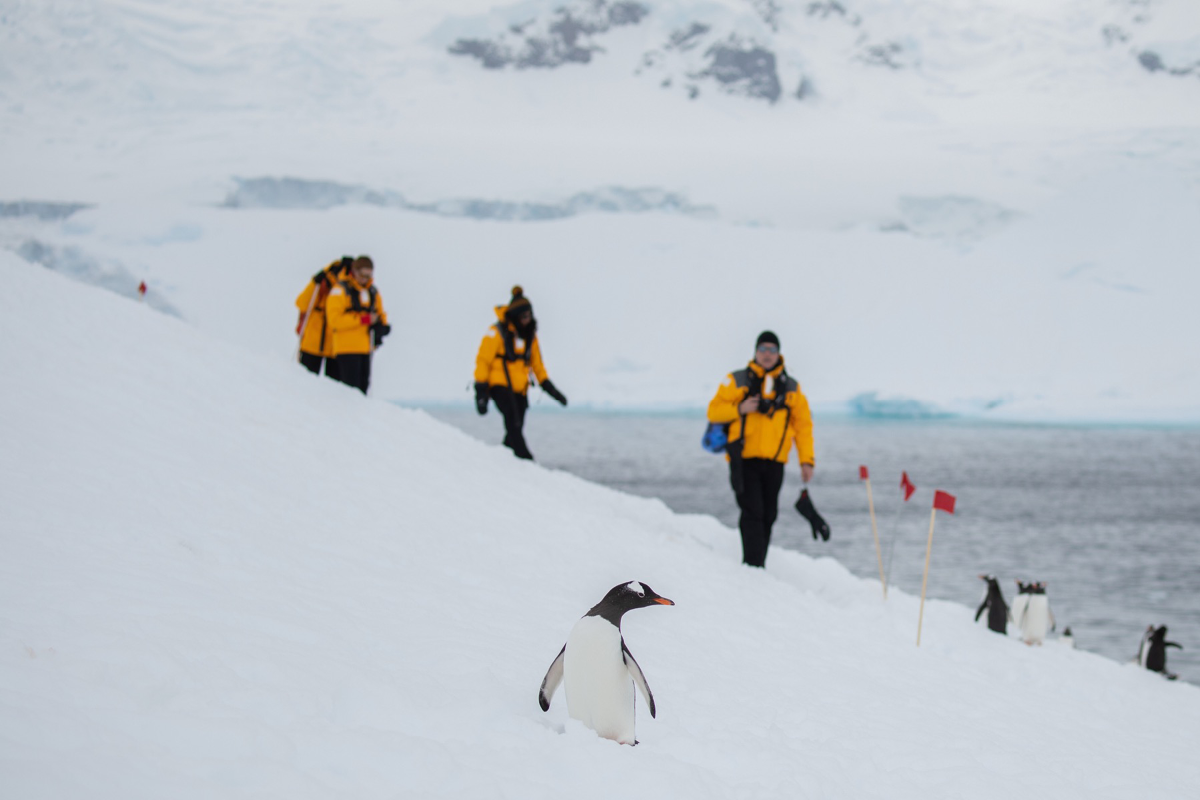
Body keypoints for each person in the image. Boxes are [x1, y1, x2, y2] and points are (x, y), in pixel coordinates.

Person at [707, 331, 815, 568]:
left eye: (772, 350)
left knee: (769, 514)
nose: (767, 354)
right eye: (763, 349)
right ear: (755, 352)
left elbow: (803, 425)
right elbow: (713, 411)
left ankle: (757, 565)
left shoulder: (791, 387)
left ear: (779, 354)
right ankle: (752, 565)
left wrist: (806, 460)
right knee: (752, 511)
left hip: (775, 461)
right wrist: (740, 408)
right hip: (743, 458)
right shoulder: (736, 380)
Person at [473, 286, 567, 459]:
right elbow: (483, 360)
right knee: (512, 419)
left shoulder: (530, 337)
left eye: (529, 315)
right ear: (515, 316)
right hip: (499, 385)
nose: (527, 319)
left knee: (518, 422)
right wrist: (480, 390)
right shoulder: (496, 332)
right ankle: (525, 458)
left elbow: (538, 366)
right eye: (523, 316)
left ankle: (505, 458)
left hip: (520, 388)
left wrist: (552, 390)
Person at [325, 256, 390, 394]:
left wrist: (382, 326)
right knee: (349, 393)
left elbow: (379, 313)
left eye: (369, 275)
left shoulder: (372, 291)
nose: (365, 279)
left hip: (365, 348)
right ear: (354, 271)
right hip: (345, 349)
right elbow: (334, 321)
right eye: (362, 275)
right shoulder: (340, 290)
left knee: (363, 391)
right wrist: (364, 320)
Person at [294, 256, 352, 379]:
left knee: (333, 390)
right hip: (313, 343)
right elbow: (303, 304)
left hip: (335, 346)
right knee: (304, 383)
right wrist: (315, 283)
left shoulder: (352, 287)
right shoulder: (322, 282)